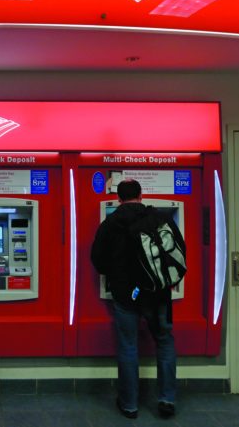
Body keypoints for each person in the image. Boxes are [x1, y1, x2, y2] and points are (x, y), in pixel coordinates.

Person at [90, 179, 179, 419]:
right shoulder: (160, 218)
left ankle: (129, 405)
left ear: (118, 199)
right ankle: (167, 399)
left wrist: (118, 275)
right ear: (141, 195)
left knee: (129, 346)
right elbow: (176, 251)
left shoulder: (110, 223)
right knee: (165, 342)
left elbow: (97, 259)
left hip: (127, 294)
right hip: (158, 293)